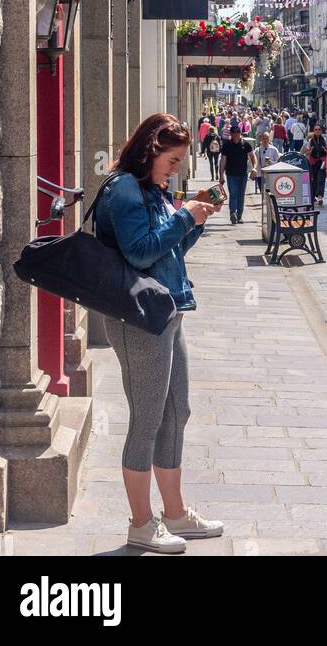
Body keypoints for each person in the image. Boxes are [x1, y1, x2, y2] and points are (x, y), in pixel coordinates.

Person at [94, 114, 223, 553]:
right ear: (150, 151)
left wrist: (195, 221)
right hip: (138, 318)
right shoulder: (124, 188)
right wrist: (184, 217)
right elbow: (140, 252)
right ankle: (141, 523)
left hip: (168, 309)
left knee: (176, 412)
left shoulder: (151, 189)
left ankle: (175, 513)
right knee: (147, 419)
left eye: (181, 160)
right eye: (172, 159)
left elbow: (168, 249)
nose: (177, 168)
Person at [219, 124, 257, 225]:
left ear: (240, 134)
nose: (236, 136)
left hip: (243, 174)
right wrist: (221, 175)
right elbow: (222, 161)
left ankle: (239, 216)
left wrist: (254, 168)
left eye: (237, 134)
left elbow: (253, 157)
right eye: (234, 134)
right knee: (233, 194)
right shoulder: (227, 145)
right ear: (231, 135)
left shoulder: (246, 144)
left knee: (241, 196)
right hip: (231, 174)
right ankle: (233, 213)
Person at [301, 123, 327, 204]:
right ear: (313, 131)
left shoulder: (324, 140)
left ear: (321, 131)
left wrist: (326, 151)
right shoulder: (310, 141)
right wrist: (309, 152)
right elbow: (307, 151)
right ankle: (313, 197)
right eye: (316, 130)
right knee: (313, 180)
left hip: (322, 162)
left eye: (319, 129)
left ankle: (320, 197)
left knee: (321, 179)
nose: (317, 131)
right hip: (313, 162)